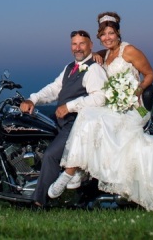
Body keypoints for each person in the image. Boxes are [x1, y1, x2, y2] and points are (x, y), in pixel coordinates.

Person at [49, 12, 153, 211]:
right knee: (87, 113)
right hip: (115, 107)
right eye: (103, 35)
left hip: (136, 108)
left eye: (111, 33)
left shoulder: (129, 51)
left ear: (118, 33)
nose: (107, 38)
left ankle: (71, 172)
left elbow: (150, 74)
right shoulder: (103, 55)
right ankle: (77, 169)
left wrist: (137, 90)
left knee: (91, 116)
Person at [19, 29, 107, 208]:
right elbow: (54, 88)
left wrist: (69, 106)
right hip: (61, 120)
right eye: (74, 44)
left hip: (77, 123)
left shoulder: (94, 69)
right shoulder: (70, 67)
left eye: (82, 44)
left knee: (51, 155)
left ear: (91, 45)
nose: (78, 48)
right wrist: (32, 99)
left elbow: (100, 98)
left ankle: (39, 202)